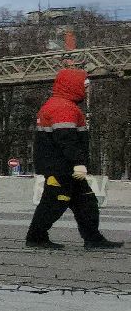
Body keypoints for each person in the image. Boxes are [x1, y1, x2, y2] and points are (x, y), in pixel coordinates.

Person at [26, 67, 122, 250]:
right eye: (84, 86)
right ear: (73, 85)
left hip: (64, 167)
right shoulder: (63, 108)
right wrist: (78, 163)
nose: (86, 90)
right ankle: (36, 237)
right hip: (60, 168)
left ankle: (93, 239)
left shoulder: (62, 105)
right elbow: (66, 139)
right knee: (55, 202)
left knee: (86, 201)